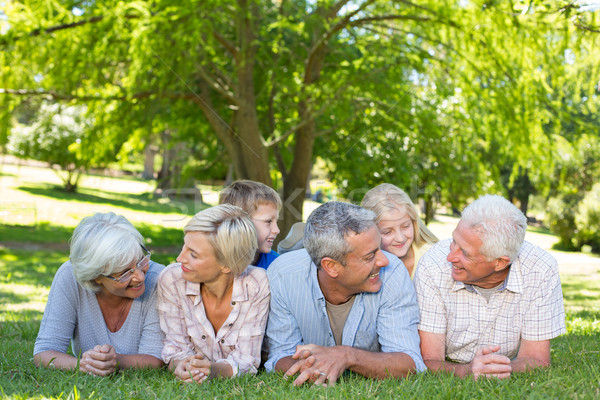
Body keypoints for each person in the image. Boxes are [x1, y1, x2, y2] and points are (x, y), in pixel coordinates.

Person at [265, 201, 425, 386]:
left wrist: (347, 356)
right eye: (370, 256)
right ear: (331, 266)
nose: (384, 261)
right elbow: (281, 355)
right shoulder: (284, 276)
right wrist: (318, 365)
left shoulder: (393, 274)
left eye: (379, 248)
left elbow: (409, 363)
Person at [415, 195, 566, 379]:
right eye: (454, 241)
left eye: (465, 253)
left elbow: (537, 359)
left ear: (500, 263)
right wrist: (467, 371)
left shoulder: (541, 270)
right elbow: (428, 360)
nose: (450, 257)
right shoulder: (433, 266)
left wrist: (496, 368)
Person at [33, 212, 165, 376]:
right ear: (96, 278)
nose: (140, 276)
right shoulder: (69, 277)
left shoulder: (160, 281)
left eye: (140, 261)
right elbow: (44, 352)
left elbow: (156, 359)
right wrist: (84, 365)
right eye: (125, 273)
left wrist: (115, 361)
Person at [157, 204, 270, 383]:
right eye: (184, 247)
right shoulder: (172, 279)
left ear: (227, 265)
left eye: (193, 255)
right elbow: (175, 348)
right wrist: (182, 366)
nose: (180, 258)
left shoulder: (256, 284)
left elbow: (247, 359)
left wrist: (212, 370)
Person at [362, 183, 438, 278]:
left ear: (414, 222)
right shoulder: (367, 269)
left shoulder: (433, 258)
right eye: (388, 232)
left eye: (405, 226)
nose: (400, 238)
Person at [219, 180, 281, 269]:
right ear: (239, 222)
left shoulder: (276, 265)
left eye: (276, 221)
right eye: (268, 221)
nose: (277, 230)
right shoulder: (211, 261)